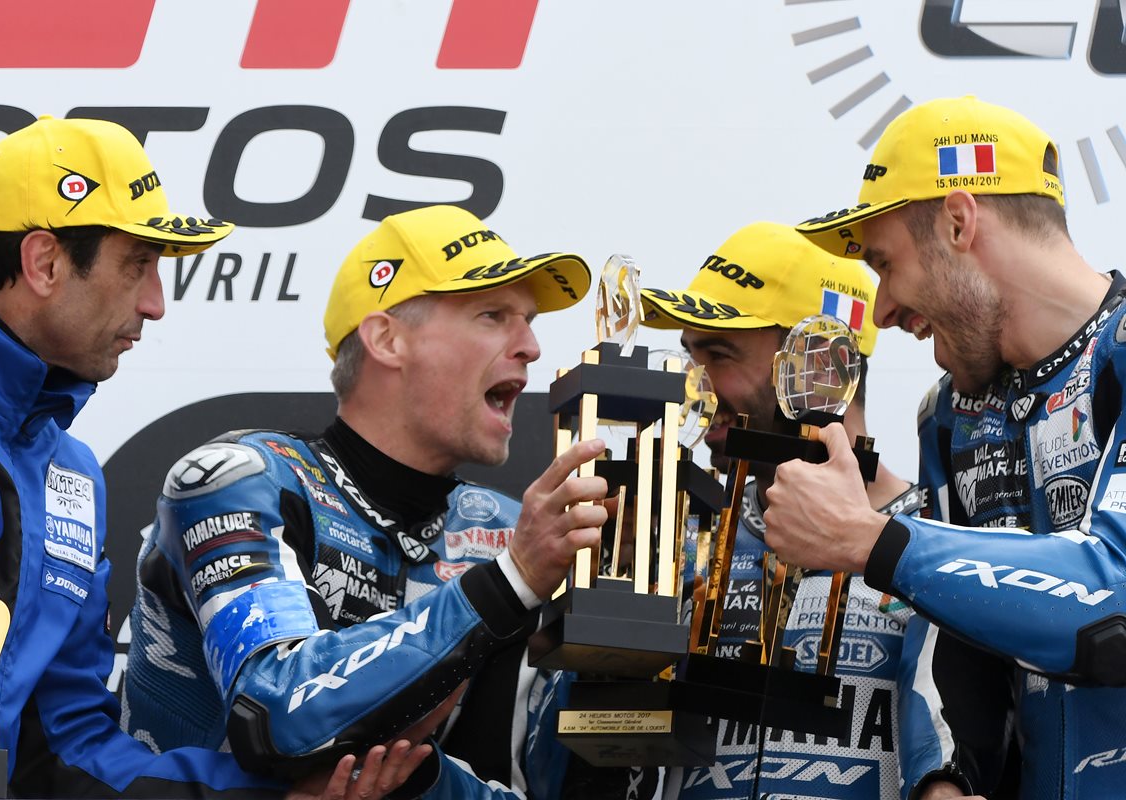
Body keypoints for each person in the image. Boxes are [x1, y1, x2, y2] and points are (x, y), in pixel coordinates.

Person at [0, 115, 401, 799]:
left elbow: (62, 752)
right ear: (44, 262)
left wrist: (281, 794)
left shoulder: (69, 477)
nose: (156, 304)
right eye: (138, 264)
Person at [124, 203, 616, 797]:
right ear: (386, 339)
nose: (531, 347)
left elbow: (534, 784)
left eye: (530, 321)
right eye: (493, 315)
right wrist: (509, 584)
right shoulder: (242, 480)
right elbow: (276, 716)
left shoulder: (505, 533)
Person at [762, 94, 1126, 799]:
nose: (884, 310)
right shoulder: (952, 415)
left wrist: (873, 542)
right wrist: (945, 778)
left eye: (885, 263)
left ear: (959, 222)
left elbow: (1112, 601)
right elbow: (954, 640)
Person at [637, 220, 937, 799]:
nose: (693, 387)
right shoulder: (681, 545)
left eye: (719, 355)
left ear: (822, 368)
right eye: (689, 357)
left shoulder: (931, 541)